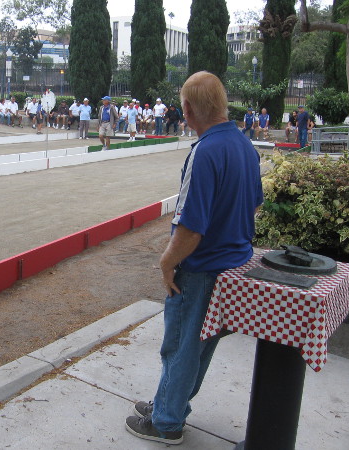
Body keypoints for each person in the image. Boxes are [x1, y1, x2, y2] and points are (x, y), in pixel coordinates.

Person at [124, 71, 263, 446]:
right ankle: (170, 403)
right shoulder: (245, 146)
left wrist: (167, 263)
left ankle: (167, 422)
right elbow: (252, 207)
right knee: (199, 347)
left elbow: (191, 227)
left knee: (181, 346)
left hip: (201, 268)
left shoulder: (206, 151)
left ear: (187, 108)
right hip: (234, 265)